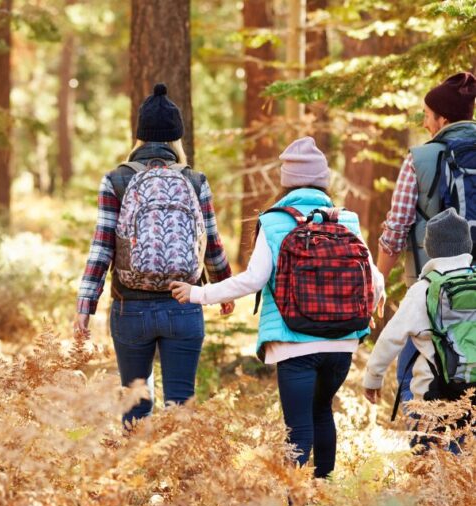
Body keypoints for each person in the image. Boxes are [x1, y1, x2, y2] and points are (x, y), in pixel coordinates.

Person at [171, 136, 385, 478]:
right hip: (343, 343)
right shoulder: (347, 220)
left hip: (293, 341)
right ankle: (323, 492)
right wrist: (368, 312)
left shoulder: (274, 221)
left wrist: (198, 294)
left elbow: (253, 280)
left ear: (287, 181)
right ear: (323, 180)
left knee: (297, 427)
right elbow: (373, 279)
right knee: (322, 412)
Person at [74, 83, 234, 427]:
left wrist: (84, 307)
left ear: (140, 136)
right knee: (180, 406)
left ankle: (137, 477)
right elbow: (211, 242)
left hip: (130, 307)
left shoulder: (116, 180)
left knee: (134, 405)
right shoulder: (194, 180)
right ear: (177, 137)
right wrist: (224, 289)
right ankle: (178, 478)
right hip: (184, 303)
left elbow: (101, 249)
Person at [375, 72, 476, 407]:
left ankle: (426, 452)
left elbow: (396, 231)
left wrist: (379, 284)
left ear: (442, 119)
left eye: (428, 115)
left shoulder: (420, 159)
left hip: (432, 289)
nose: (425, 122)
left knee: (417, 376)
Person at [363, 208, 474, 451]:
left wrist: (373, 378)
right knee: (464, 457)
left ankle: (429, 484)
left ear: (430, 249)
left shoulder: (422, 290)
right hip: (473, 391)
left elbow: (391, 338)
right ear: (467, 245)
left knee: (429, 456)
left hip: (431, 392)